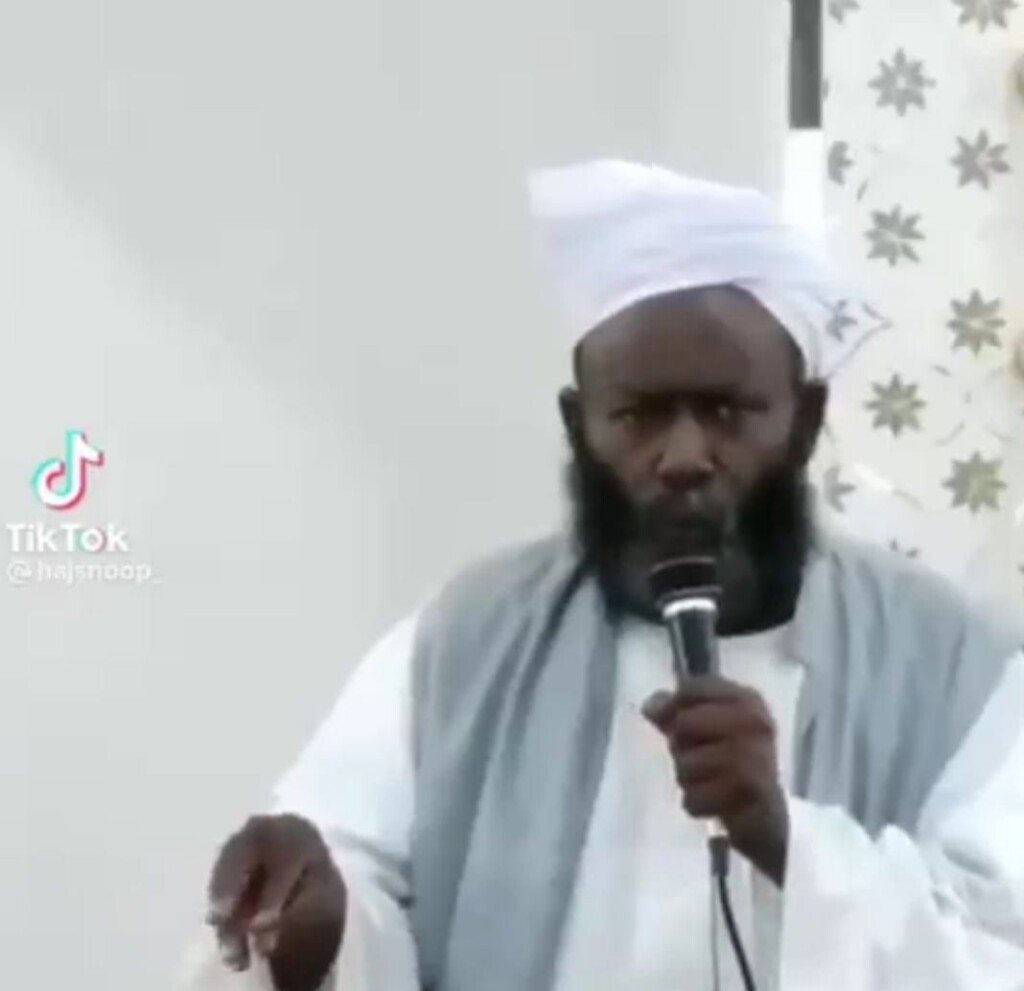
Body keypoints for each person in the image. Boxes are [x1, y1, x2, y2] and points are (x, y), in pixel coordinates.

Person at [178, 160, 1024, 991]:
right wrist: (317, 933)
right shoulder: (463, 644)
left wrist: (786, 838)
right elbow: (346, 874)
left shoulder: (955, 668)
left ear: (805, 422)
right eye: (639, 414)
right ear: (578, 425)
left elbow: (1001, 953)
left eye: (726, 410)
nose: (684, 455)